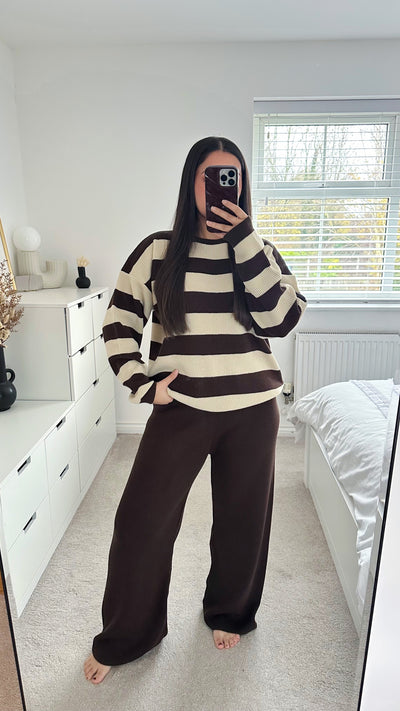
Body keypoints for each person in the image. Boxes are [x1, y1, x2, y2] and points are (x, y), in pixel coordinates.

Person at [84, 136, 307, 684]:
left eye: (233, 177)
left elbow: (281, 320)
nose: (222, 187)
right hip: (182, 406)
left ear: (243, 186)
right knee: (141, 521)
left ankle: (230, 611)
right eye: (212, 176)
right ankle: (129, 634)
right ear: (193, 184)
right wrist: (143, 385)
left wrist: (245, 241)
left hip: (254, 409)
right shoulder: (158, 251)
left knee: (243, 519)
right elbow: (118, 323)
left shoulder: (260, 251)